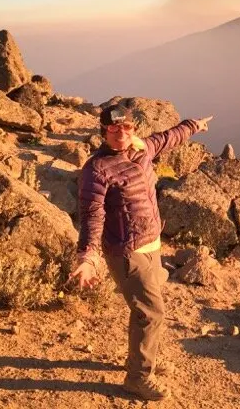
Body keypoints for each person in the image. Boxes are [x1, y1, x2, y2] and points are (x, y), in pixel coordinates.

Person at [69, 103, 212, 401]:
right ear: (103, 131)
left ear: (133, 129)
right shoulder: (96, 169)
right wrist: (87, 257)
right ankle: (137, 378)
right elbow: (92, 215)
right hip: (125, 251)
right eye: (113, 128)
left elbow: (168, 138)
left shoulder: (141, 149)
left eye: (126, 127)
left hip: (151, 244)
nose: (120, 133)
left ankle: (138, 361)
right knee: (151, 312)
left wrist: (193, 125)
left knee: (145, 308)